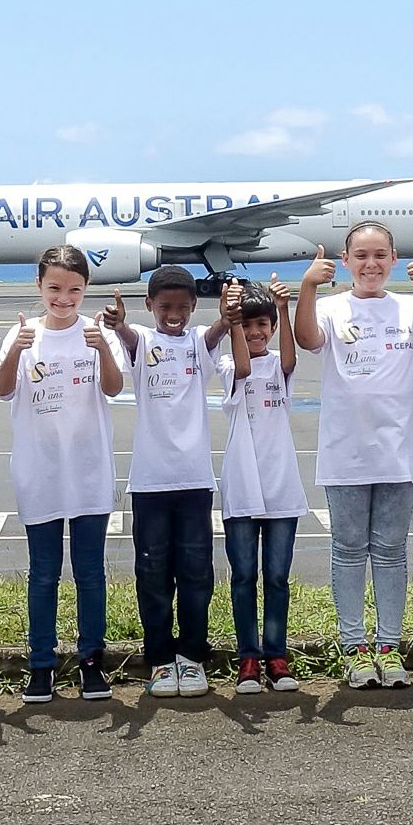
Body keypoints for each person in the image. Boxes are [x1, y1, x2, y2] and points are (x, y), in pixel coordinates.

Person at [293, 225, 413, 689]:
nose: (371, 264)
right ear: (345, 260)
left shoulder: (412, 306)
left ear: (394, 258)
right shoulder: (330, 306)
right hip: (345, 453)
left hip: (397, 453)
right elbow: (307, 340)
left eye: (380, 255)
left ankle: (388, 645)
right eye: (361, 256)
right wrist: (306, 285)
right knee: (346, 550)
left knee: (390, 551)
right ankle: (354, 647)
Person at [102, 264, 239, 697]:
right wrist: (120, 325)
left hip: (195, 480)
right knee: (153, 572)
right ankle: (160, 659)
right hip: (150, 482)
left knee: (197, 572)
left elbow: (217, 331)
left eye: (183, 307)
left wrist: (227, 315)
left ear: (194, 307)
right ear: (150, 306)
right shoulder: (143, 340)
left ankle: (193, 657)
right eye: (165, 307)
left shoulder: (200, 343)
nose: (174, 314)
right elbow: (128, 339)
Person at [0, 246, 125, 703]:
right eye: (54, 288)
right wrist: (15, 348)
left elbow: (113, 387)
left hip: (87, 472)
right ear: (39, 287)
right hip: (40, 472)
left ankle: (92, 660)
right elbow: (4, 387)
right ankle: (42, 664)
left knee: (90, 573)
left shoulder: (94, 333)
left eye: (74, 289)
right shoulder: (24, 332)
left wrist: (103, 347)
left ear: (85, 289)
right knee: (44, 573)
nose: (64, 298)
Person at [218, 275, 307, 693]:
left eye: (262, 325)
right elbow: (241, 367)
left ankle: (276, 655)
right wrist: (232, 319)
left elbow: (288, 360)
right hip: (241, 486)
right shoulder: (227, 363)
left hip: (280, 486)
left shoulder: (279, 366)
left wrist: (284, 309)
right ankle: (248, 657)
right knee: (243, 576)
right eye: (248, 325)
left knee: (276, 576)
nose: (256, 333)